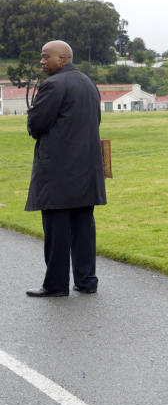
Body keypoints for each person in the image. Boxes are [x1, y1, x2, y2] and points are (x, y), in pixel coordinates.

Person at [24, 40, 106, 297]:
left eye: (46, 56)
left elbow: (36, 124)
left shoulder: (53, 85)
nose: (42, 61)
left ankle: (56, 285)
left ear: (62, 58)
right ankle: (86, 281)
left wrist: (32, 120)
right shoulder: (88, 83)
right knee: (84, 227)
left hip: (58, 170)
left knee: (57, 229)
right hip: (87, 168)